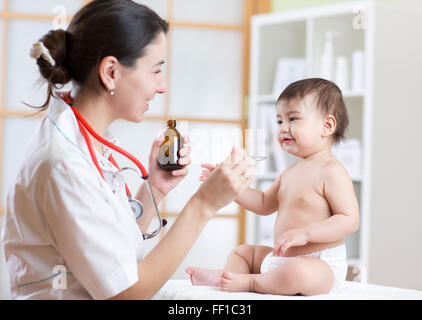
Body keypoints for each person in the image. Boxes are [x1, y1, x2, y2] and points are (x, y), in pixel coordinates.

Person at [1, 0, 254, 300]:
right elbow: (125, 294)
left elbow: (106, 250)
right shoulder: (65, 162)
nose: (162, 87)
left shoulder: (85, 138)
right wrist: (204, 205)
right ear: (111, 72)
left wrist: (154, 191)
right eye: (156, 70)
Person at [186, 78, 360, 295]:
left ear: (327, 126)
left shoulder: (331, 171)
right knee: (243, 253)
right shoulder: (290, 172)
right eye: (279, 121)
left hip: (319, 265)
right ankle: (228, 277)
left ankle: (250, 282)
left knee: (297, 272)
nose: (283, 128)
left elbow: (349, 220)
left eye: (293, 119)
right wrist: (232, 186)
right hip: (280, 259)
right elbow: (263, 203)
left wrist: (306, 234)